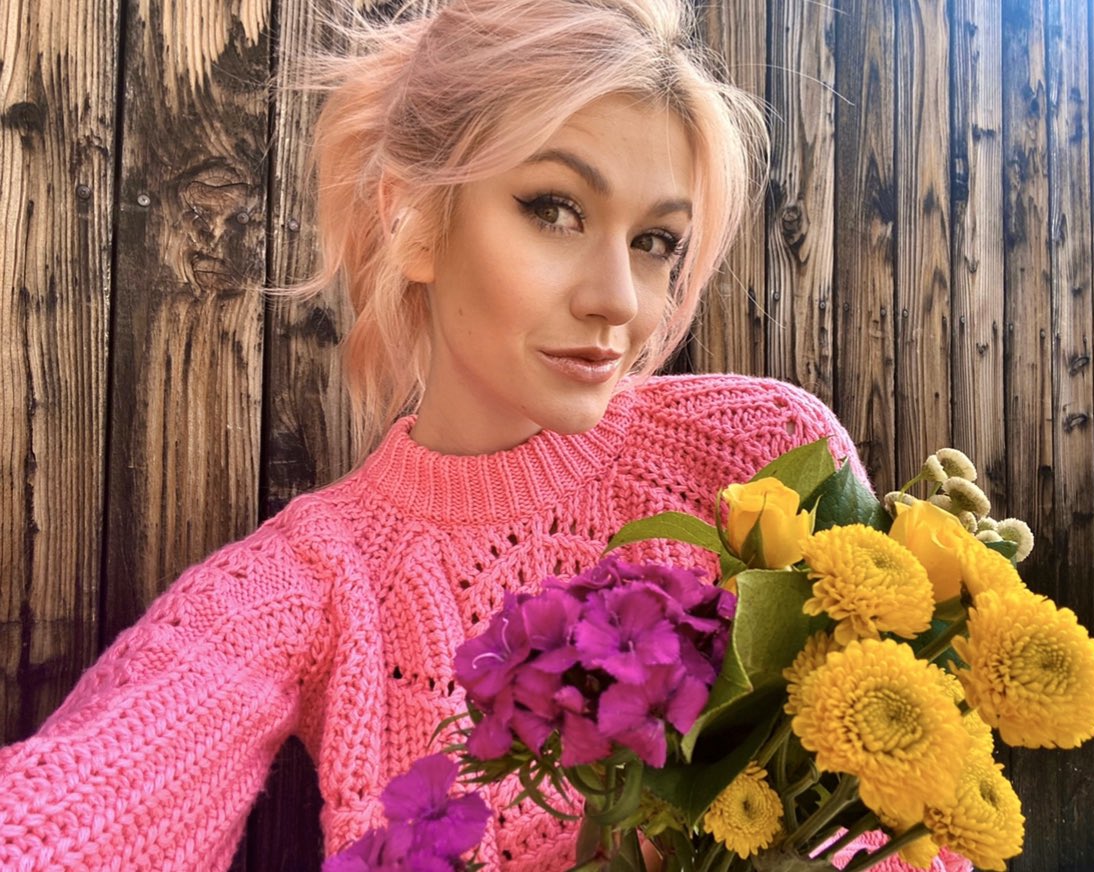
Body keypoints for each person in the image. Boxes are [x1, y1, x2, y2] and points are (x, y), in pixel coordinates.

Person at [0, 0, 867, 868]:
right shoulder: (319, 575)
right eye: (555, 210)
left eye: (654, 241)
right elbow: (89, 804)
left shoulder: (756, 458)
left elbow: (902, 806)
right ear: (413, 219)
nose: (619, 298)